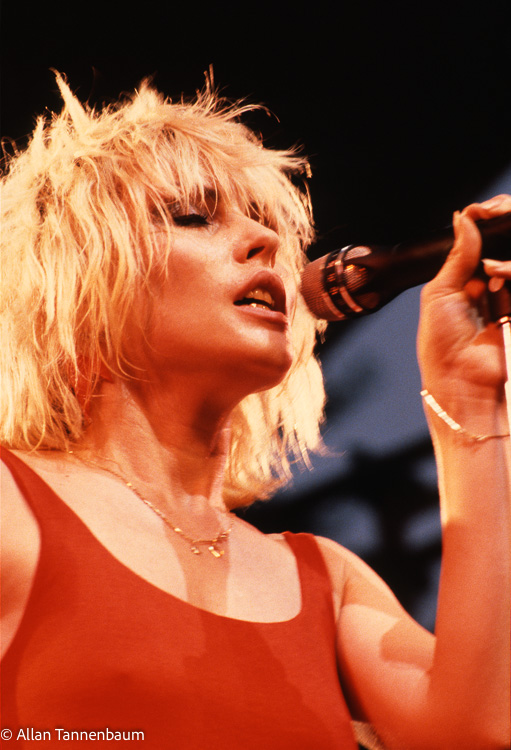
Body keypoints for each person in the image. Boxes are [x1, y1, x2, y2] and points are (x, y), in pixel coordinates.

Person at [0, 72, 509, 750]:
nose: (265, 243)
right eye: (193, 216)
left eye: (267, 222)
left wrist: (465, 397)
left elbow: (475, 730)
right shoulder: (13, 505)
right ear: (76, 280)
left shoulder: (325, 581)